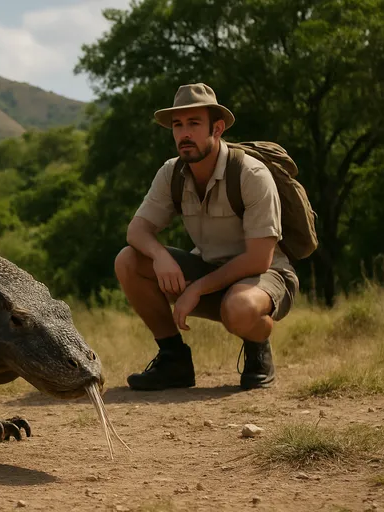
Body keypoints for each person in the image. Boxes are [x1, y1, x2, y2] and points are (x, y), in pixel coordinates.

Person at [114, 83, 299, 391]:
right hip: (210, 269)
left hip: (264, 275)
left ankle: (258, 347)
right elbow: (137, 230)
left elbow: (258, 258)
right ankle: (173, 360)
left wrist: (197, 288)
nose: (184, 133)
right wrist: (160, 257)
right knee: (129, 261)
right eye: (178, 125)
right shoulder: (171, 173)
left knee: (239, 309)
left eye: (194, 123)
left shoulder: (250, 175)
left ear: (218, 128)